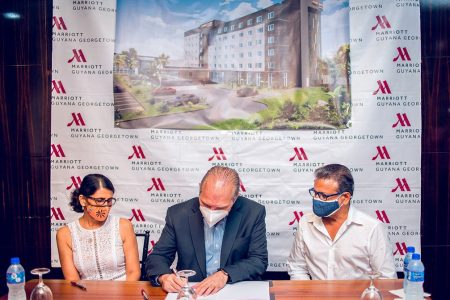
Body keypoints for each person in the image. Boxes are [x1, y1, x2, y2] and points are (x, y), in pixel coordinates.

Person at [146, 166, 268, 296]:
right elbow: (158, 257)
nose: (212, 211)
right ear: (200, 190)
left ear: (235, 198)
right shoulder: (177, 214)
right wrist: (164, 277)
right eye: (206, 204)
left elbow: (258, 260)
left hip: (235, 290)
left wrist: (225, 274)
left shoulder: (253, 212)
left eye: (220, 207)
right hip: (193, 291)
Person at [287, 164, 397, 280]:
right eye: (315, 193)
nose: (317, 199)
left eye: (323, 196)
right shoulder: (305, 223)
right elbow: (297, 267)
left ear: (344, 197)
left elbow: (386, 278)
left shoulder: (372, 228)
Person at [56, 174, 140, 281]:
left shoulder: (124, 226)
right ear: (83, 200)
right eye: (99, 200)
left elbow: (134, 272)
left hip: (123, 292)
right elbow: (72, 280)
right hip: (86, 294)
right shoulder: (65, 234)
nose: (105, 206)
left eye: (109, 201)